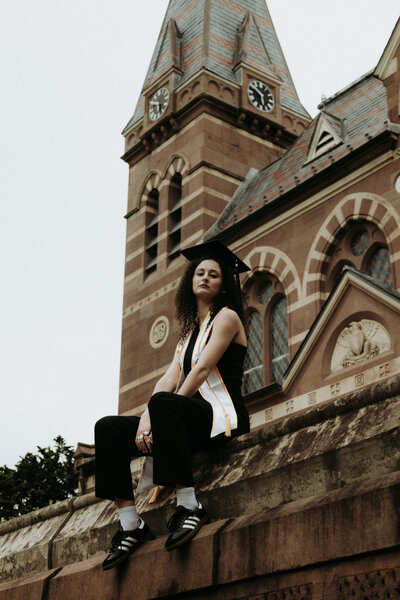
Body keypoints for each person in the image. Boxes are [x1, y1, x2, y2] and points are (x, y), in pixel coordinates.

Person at [95, 240, 250, 570]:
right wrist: (146, 418)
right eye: (199, 273)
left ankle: (189, 505)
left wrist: (164, 410)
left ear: (224, 286)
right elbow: (167, 380)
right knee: (107, 428)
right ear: (190, 281)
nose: (204, 278)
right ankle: (130, 525)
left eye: (213, 275)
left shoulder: (228, 318)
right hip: (187, 417)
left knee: (166, 403)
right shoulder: (188, 333)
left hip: (222, 415)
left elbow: (203, 370)